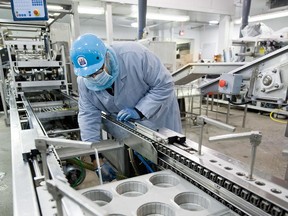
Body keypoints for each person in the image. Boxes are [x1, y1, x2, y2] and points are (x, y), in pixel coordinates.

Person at [70, 33, 182, 182]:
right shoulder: (84, 83)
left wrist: (139, 110)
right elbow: (87, 117)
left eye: (97, 72)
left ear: (106, 57)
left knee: (170, 166)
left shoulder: (135, 55)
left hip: (160, 118)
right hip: (131, 129)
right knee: (140, 166)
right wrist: (97, 160)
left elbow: (165, 84)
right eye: (89, 75)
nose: (94, 78)